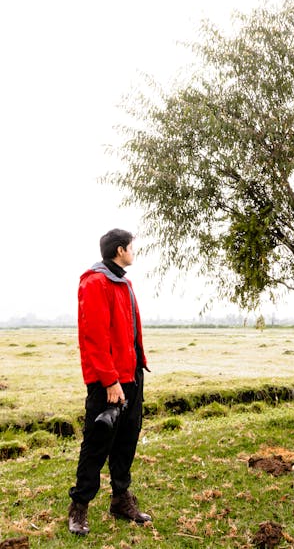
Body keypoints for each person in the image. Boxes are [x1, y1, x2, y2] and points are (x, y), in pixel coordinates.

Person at [68, 229, 151, 536]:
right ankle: (79, 507)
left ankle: (120, 500)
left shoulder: (124, 282)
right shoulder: (94, 283)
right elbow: (94, 337)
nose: (134, 251)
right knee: (96, 444)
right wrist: (109, 381)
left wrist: (136, 371)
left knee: (126, 441)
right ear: (120, 250)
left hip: (132, 376)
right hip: (109, 382)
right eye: (132, 247)